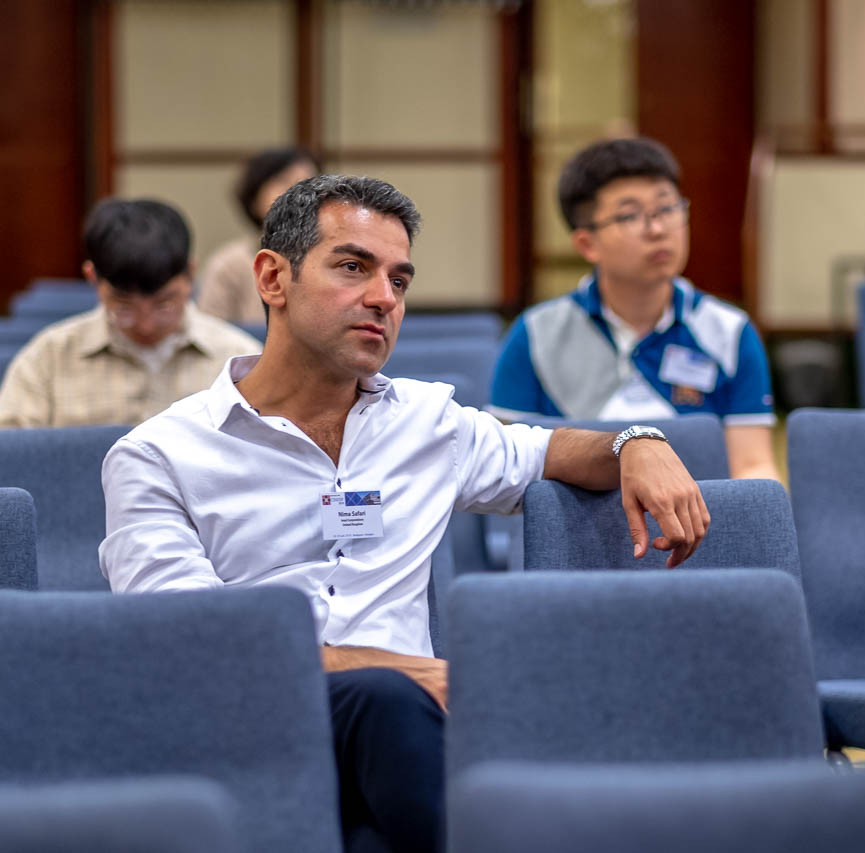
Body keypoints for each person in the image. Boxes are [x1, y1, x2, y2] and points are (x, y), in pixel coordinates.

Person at [99, 174, 709, 853]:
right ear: (273, 278)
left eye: (399, 280)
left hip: (408, 734)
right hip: (247, 720)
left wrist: (637, 443)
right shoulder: (158, 455)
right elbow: (186, 641)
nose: (383, 298)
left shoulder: (426, 423)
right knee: (388, 702)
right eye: (353, 267)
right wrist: (398, 669)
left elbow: (548, 453)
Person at [488, 136, 781, 481]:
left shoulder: (729, 332)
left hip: (701, 511)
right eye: (630, 215)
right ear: (587, 243)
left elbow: (752, 464)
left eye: (667, 208)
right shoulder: (536, 335)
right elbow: (507, 466)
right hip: (576, 514)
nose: (657, 229)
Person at [0, 199, 261, 429]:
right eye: (124, 307)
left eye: (164, 304)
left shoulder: (238, 358)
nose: (146, 325)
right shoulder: (50, 357)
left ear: (190, 273)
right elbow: (3, 456)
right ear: (92, 277)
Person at [198, 147, 320, 325]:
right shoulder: (229, 264)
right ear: (254, 197)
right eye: (284, 182)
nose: (297, 195)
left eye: (307, 185)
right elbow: (210, 331)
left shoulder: (329, 257)